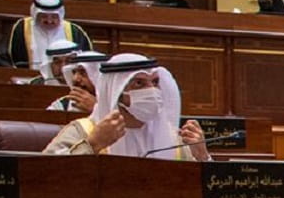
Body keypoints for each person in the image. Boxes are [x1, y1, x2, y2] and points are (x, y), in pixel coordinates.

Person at [44, 53, 210, 160]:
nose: (151, 90)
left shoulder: (175, 139)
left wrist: (203, 156)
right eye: (139, 83)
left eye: (155, 82)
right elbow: (42, 175)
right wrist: (93, 145)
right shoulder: (84, 131)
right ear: (117, 93)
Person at [2, 0, 91, 78]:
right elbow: (3, 57)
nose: (49, 21)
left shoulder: (74, 31)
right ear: (35, 15)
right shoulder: (21, 28)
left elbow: (87, 60)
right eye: (43, 16)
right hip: (28, 81)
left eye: (54, 17)